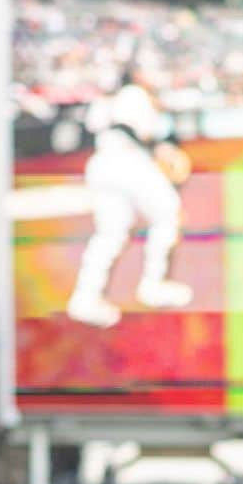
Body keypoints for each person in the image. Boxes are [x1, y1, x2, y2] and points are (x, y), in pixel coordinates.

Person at [67, 67, 193, 328]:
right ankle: (153, 284)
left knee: (111, 233)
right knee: (168, 214)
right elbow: (146, 134)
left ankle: (85, 298)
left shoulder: (105, 100)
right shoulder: (135, 95)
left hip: (101, 163)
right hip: (129, 161)